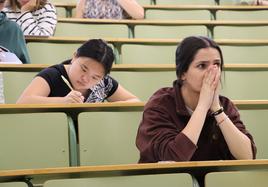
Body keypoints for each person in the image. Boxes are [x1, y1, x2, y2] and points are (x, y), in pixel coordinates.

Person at [136, 36, 256, 163]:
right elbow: (172, 159)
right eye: (202, 66)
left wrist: (217, 110)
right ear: (183, 73)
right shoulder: (160, 105)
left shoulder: (224, 105)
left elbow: (247, 157)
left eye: (217, 64)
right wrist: (203, 106)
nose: (212, 72)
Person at [16, 39, 140, 104]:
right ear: (75, 56)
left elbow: (134, 101)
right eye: (83, 69)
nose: (85, 79)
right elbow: (23, 102)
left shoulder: (104, 83)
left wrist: (108, 107)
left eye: (95, 77)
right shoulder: (52, 74)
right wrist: (62, 102)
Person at [75, 0, 144, 19]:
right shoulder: (84, 1)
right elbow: (77, 21)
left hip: (116, 34)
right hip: (91, 37)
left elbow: (139, 15)